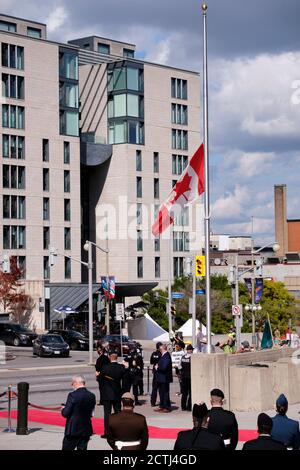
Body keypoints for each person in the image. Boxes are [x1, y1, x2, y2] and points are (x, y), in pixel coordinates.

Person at [61, 375, 96, 451]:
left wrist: (63, 409)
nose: (72, 385)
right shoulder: (92, 396)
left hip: (73, 430)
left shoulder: (72, 395)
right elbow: (91, 413)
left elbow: (65, 413)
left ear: (76, 383)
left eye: (72, 383)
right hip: (86, 429)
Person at [101, 352, 125, 438]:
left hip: (107, 394)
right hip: (117, 393)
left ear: (109, 357)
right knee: (117, 413)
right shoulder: (121, 367)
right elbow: (125, 380)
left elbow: (100, 379)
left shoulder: (105, 367)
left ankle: (107, 433)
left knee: (107, 414)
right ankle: (118, 432)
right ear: (117, 358)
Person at [154, 343, 173, 413]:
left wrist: (157, 367)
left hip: (165, 378)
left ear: (162, 349)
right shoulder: (163, 355)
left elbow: (164, 367)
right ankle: (162, 406)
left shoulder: (166, 356)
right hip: (161, 378)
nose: (159, 349)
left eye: (160, 348)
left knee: (165, 393)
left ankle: (167, 407)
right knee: (161, 392)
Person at [180, 344, 193, 411]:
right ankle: (189, 407)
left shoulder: (183, 357)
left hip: (183, 377)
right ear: (190, 350)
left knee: (184, 393)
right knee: (190, 393)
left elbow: (180, 367)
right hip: (190, 378)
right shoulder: (192, 358)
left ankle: (183, 407)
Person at [150, 342, 162, 407]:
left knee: (154, 388)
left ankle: (152, 402)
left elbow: (151, 362)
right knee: (161, 389)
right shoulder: (161, 354)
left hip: (155, 372)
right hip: (160, 373)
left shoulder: (153, 353)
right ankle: (162, 402)